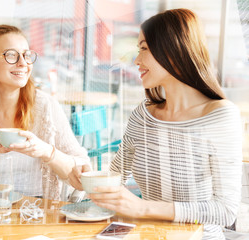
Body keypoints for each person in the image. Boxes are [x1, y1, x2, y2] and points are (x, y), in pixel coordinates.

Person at [69, 8, 242, 240]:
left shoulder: (220, 115)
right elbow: (116, 175)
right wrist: (89, 179)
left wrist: (142, 208)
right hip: (147, 235)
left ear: (173, 51)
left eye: (144, 49)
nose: (137, 60)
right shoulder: (143, 114)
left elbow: (225, 210)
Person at [0, 24, 89, 200]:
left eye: (26, 55)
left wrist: (45, 151)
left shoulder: (45, 106)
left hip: (39, 212)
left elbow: (82, 170)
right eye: (11, 55)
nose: (23, 63)